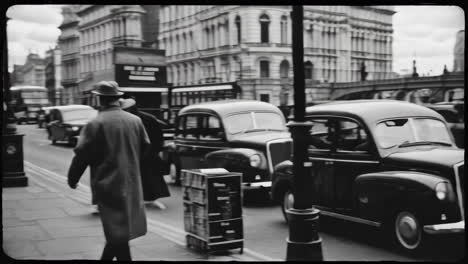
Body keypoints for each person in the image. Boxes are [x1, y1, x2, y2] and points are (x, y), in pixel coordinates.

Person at [67, 81, 150, 261]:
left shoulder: (96, 123)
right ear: (117, 98)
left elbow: (82, 155)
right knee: (119, 234)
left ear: (100, 99)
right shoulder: (135, 121)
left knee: (116, 235)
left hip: (108, 186)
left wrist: (72, 178)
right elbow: (145, 147)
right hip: (131, 183)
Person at [120, 98, 170, 209]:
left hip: (141, 152)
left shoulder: (133, 120)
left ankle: (144, 198)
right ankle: (149, 198)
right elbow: (158, 138)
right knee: (150, 177)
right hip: (149, 152)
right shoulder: (148, 118)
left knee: (144, 177)